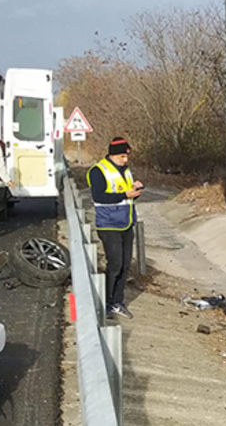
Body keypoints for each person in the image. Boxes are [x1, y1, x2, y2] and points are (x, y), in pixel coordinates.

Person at [87, 137, 143, 319]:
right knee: (115, 264)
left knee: (125, 265)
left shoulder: (125, 171)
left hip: (126, 223)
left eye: (127, 157)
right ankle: (106, 302)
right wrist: (125, 194)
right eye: (122, 157)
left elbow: (127, 197)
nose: (125, 160)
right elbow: (99, 197)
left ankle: (118, 302)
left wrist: (136, 191)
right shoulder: (98, 171)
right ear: (112, 155)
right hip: (108, 224)